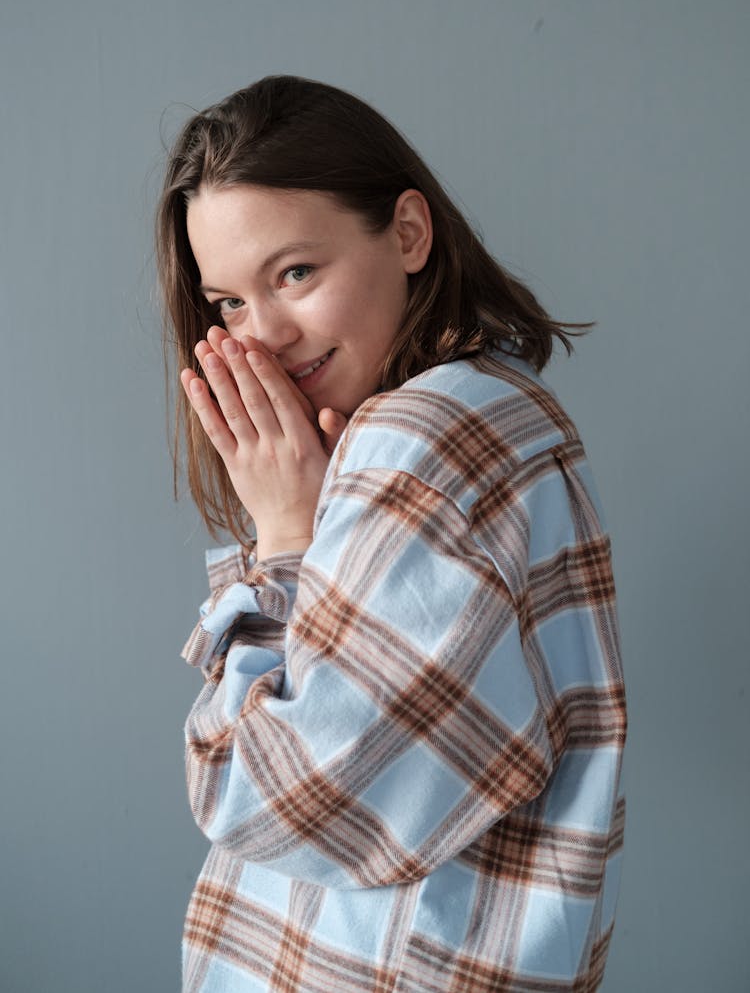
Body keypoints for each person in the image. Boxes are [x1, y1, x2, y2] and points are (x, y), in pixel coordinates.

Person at [156, 74, 627, 993]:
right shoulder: (505, 415)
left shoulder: (421, 438)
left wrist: (286, 538)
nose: (265, 337)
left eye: (295, 272)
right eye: (230, 305)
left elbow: (272, 800)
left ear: (408, 232)